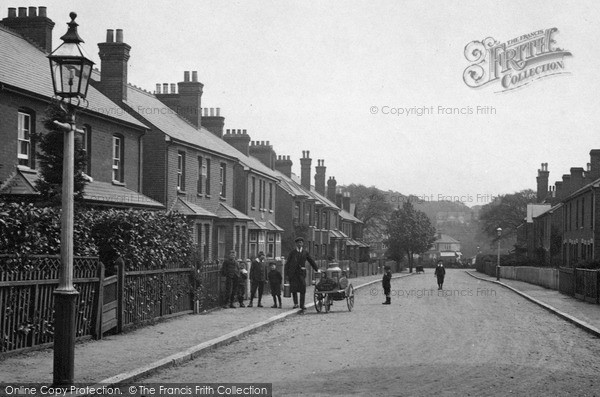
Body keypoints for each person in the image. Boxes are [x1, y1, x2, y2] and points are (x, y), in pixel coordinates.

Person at [284, 237, 320, 311]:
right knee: (294, 289)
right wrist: (287, 275)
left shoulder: (305, 252)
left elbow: (311, 260)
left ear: (302, 244)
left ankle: (302, 304)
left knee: (302, 288)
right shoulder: (292, 253)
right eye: (298, 243)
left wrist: (316, 269)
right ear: (296, 244)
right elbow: (287, 264)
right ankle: (295, 303)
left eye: (301, 242)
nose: (299, 244)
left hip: (301, 273)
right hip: (293, 273)